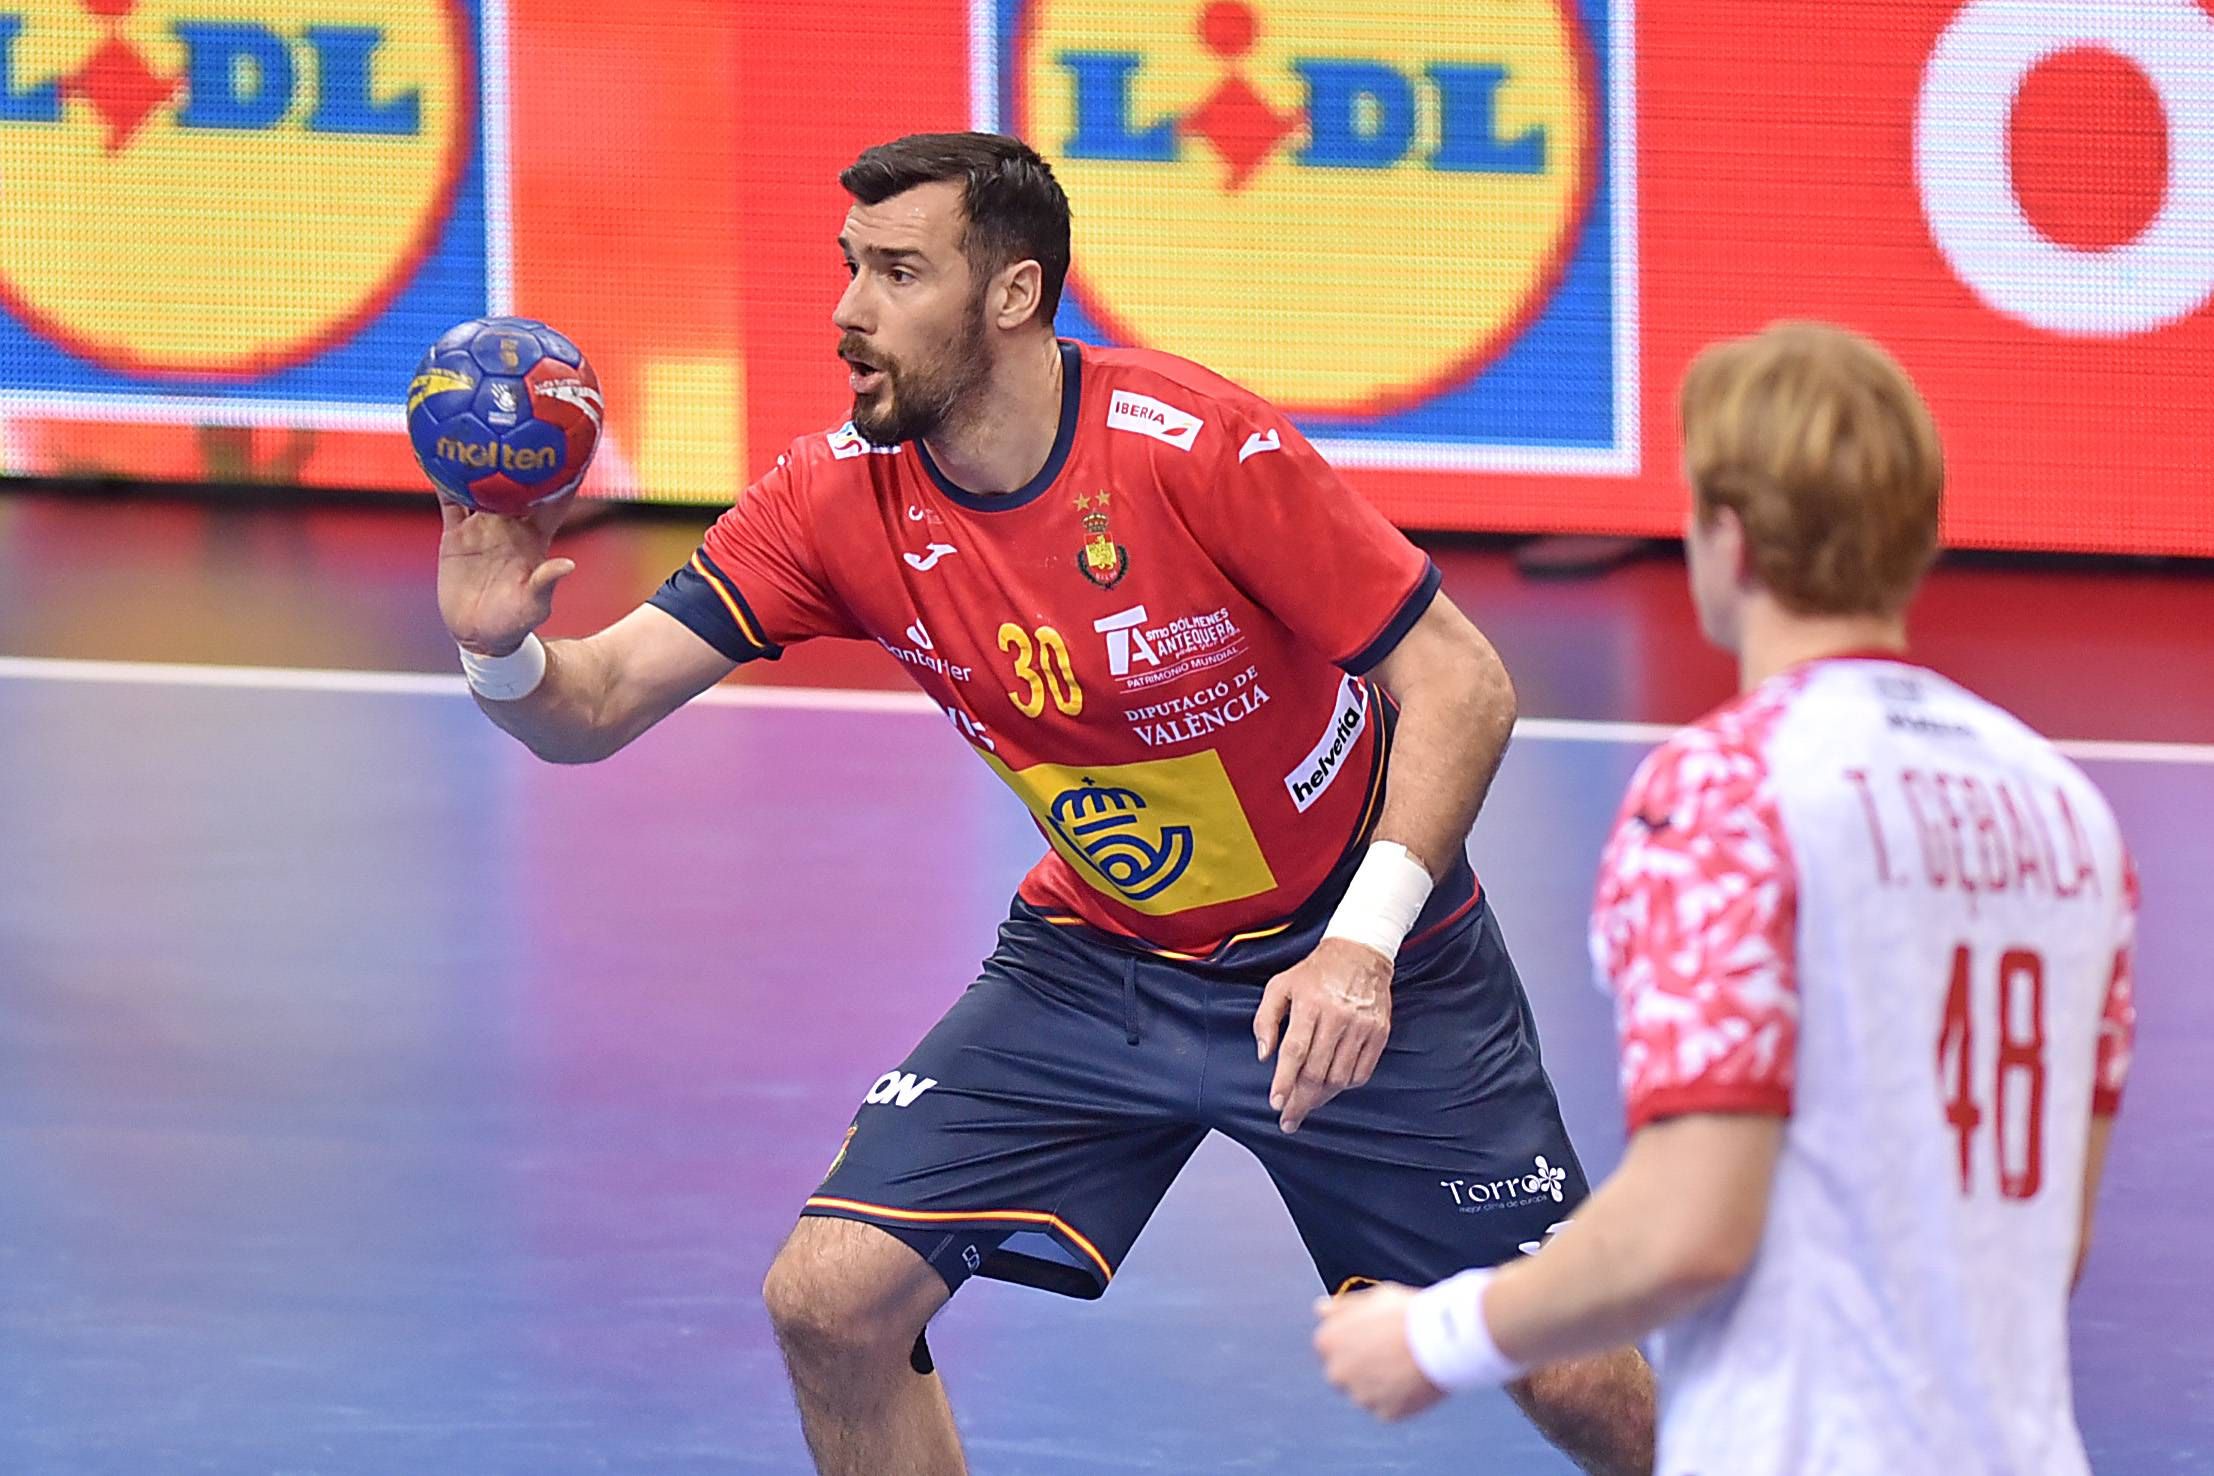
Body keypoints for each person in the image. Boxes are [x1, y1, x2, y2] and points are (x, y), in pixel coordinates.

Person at [434, 131, 1653, 1475]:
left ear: (1012, 294)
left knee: (1581, 1384)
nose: (849, 312)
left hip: (1359, 960)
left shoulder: (1195, 450)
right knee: (829, 1303)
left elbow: (1461, 683)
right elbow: (596, 705)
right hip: (1098, 966)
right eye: (849, 267)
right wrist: (501, 650)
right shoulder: (832, 498)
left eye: (899, 273)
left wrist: (1363, 947)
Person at [1313, 322, 2139, 1474]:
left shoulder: (1723, 793)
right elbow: (2054, 1238)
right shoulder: (2066, 814)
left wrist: (1435, 1334)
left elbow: (1688, 1227)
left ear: (1730, 539)